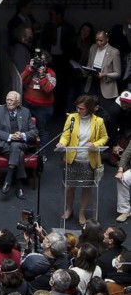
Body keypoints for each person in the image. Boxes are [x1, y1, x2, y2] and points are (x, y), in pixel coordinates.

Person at [57, 94, 108, 227]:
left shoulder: (98, 121)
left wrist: (95, 144)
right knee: (69, 187)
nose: (78, 110)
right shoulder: (72, 118)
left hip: (88, 160)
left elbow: (104, 138)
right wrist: (62, 144)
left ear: (90, 109)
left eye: (82, 108)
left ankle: (82, 213)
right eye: (77, 108)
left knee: (86, 187)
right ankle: (69, 209)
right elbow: (65, 135)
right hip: (73, 158)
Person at [0, 91, 37, 199]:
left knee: (16, 146)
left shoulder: (25, 112)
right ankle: (19, 187)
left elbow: (34, 132)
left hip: (22, 144)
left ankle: (8, 179)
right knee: (19, 155)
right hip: (5, 145)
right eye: (7, 100)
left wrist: (22, 135)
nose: (8, 102)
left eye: (11, 100)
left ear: (18, 102)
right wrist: (10, 136)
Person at [83, 30, 121, 132]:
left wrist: (105, 74)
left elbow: (118, 73)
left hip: (106, 84)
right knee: (89, 110)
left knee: (106, 114)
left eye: (101, 41)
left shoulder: (114, 52)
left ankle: (106, 137)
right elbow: (89, 64)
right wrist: (85, 71)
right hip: (92, 82)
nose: (99, 43)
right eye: (97, 40)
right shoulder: (93, 48)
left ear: (107, 40)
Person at [21, 51, 56, 139]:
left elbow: (48, 89)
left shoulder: (51, 74)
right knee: (25, 129)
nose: (39, 62)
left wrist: (42, 76)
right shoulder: (31, 71)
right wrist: (29, 69)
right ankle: (27, 150)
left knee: (42, 131)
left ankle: (42, 152)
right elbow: (20, 80)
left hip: (43, 108)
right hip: (28, 105)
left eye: (42, 60)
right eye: (38, 60)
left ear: (46, 62)